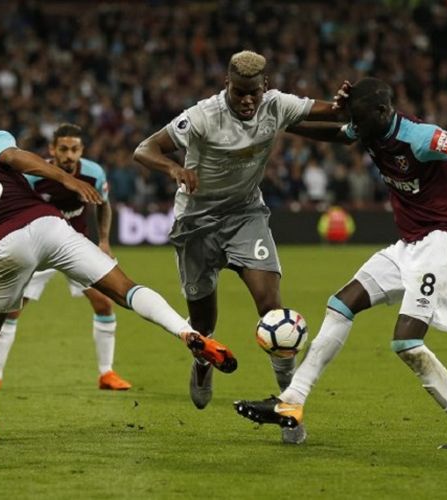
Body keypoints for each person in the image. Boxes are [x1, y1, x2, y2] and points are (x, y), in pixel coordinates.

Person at [0, 104, 237, 445]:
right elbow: (16, 156)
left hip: (3, 247)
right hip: (49, 226)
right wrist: (67, 178)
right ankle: (189, 332)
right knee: (125, 289)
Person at [233, 78, 447, 449]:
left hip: (445, 240)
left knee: (406, 342)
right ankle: (292, 402)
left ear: (383, 112)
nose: (354, 127)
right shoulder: (369, 127)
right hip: (411, 243)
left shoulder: (422, 138)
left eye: (359, 119)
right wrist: (277, 117)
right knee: (341, 305)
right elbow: (336, 133)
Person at [133, 50, 347, 445]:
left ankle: (289, 409)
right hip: (195, 224)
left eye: (254, 93)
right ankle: (203, 360)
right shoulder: (202, 115)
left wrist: (347, 105)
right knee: (203, 324)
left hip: (246, 216)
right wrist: (175, 169)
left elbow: (330, 113)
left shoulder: (277, 105)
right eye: (239, 93)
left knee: (274, 312)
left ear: (264, 87)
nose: (247, 101)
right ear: (227, 86)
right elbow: (144, 149)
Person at [0, 123, 131, 392]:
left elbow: (104, 205)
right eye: (64, 149)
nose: (69, 155)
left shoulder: (93, 173)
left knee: (104, 303)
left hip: (75, 247)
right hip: (37, 250)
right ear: (52, 150)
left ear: (82, 150)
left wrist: (103, 241)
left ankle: (107, 374)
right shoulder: (33, 176)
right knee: (12, 309)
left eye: (75, 149)